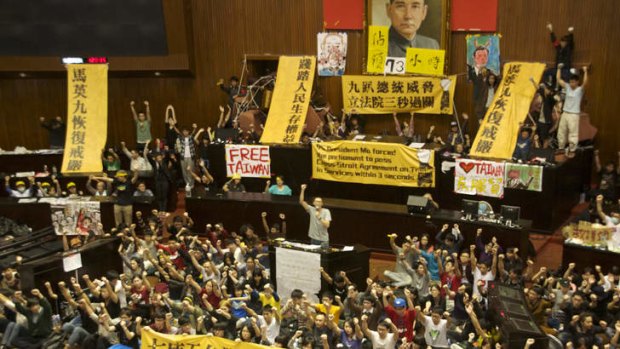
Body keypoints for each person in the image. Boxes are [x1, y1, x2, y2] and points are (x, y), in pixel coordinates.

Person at [557, 64, 588, 157]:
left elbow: (585, 82)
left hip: (574, 114)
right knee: (561, 131)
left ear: (577, 82)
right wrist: (559, 69)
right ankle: (561, 148)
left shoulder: (579, 90)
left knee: (573, 133)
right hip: (565, 113)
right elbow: (559, 80)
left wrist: (585, 71)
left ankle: (572, 150)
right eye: (570, 82)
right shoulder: (567, 87)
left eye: (573, 82)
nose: (572, 84)